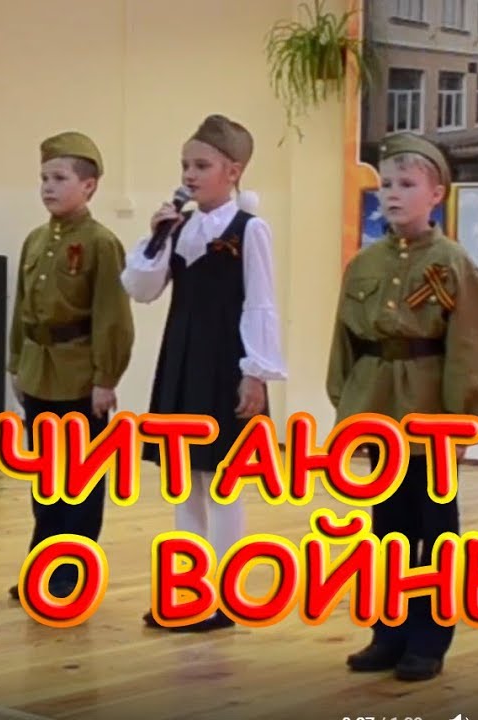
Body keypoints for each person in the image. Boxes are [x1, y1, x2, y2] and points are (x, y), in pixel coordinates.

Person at [326, 132, 478, 682]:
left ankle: (428, 640)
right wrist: (347, 406)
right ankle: (389, 632)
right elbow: (345, 344)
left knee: (435, 530)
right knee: (388, 528)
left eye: (406, 184)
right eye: (386, 185)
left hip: (431, 414)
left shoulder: (454, 264)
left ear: (436, 194)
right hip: (377, 407)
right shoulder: (364, 263)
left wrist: (461, 422)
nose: (393, 194)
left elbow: (469, 349)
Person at [121, 114, 287, 632]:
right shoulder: (180, 228)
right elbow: (142, 289)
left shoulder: (250, 229)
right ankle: (187, 589)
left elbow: (261, 301)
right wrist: (156, 236)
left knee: (220, 480)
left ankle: (222, 594)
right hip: (181, 358)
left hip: (224, 363)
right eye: (185, 166)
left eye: (201, 165)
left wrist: (255, 372)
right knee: (183, 479)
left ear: (232, 171)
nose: (190, 175)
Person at [7, 131, 134, 600]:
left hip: (80, 375)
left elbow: (112, 317)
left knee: (79, 481)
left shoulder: (101, 243)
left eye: (59, 178)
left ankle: (71, 572)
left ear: (89, 186)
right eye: (44, 177)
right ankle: (42, 564)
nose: (48, 186)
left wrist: (106, 377)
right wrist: (16, 363)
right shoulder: (36, 240)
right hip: (39, 371)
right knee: (46, 479)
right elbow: (21, 308)